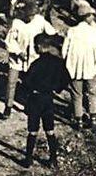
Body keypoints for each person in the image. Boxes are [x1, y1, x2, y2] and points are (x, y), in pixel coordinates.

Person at [23, 33, 71, 169]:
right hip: (49, 99)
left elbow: (27, 82)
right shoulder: (58, 62)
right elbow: (66, 78)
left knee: (32, 131)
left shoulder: (36, 64)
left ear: (38, 47)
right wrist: (57, 88)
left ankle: (28, 159)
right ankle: (53, 159)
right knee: (50, 130)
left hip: (35, 98)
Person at [3, 0, 56, 120]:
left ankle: (28, 104)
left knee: (31, 83)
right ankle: (8, 106)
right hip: (17, 58)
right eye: (29, 15)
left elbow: (52, 33)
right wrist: (18, 51)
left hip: (33, 58)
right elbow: (9, 41)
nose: (31, 18)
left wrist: (45, 43)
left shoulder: (40, 21)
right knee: (11, 82)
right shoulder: (17, 23)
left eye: (33, 15)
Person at [61, 1, 96, 129]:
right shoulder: (93, 31)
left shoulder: (72, 31)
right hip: (90, 67)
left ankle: (78, 119)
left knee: (76, 93)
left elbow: (64, 50)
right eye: (91, 15)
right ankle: (93, 117)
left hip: (75, 68)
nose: (93, 17)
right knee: (92, 92)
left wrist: (68, 62)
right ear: (86, 16)